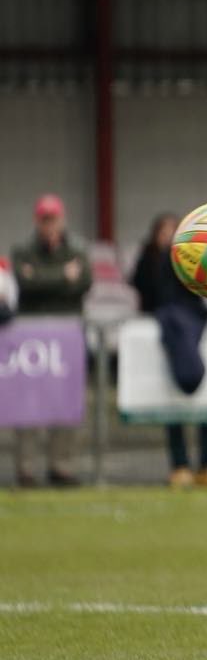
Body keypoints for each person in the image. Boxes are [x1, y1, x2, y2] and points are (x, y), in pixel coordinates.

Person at [130, 213, 207, 489]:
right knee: (172, 401)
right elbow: (150, 292)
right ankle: (180, 465)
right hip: (175, 336)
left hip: (206, 339)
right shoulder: (155, 261)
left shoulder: (206, 259)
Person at [10, 194, 92, 487]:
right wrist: (62, 276)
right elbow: (25, 284)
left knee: (65, 403)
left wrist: (43, 278)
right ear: (37, 221)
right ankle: (26, 468)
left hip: (67, 336)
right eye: (44, 219)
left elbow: (83, 284)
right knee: (27, 404)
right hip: (31, 340)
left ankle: (62, 466)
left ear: (62, 219)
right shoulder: (22, 250)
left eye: (53, 218)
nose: (49, 225)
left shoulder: (77, 248)